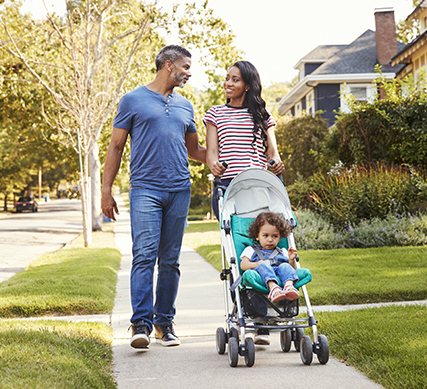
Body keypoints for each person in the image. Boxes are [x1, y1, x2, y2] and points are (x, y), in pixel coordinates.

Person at [101, 45, 206, 350]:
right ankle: (141, 324)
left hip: (179, 188)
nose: (188, 73)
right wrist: (106, 191)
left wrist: (229, 158)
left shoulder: (186, 106)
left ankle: (164, 323)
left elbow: (194, 151)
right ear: (168, 65)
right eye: (185, 67)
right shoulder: (132, 100)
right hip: (145, 188)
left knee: (170, 261)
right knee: (144, 255)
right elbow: (116, 146)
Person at [204, 60, 284, 219]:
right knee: (232, 238)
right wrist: (214, 165)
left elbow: (273, 153)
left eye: (235, 80)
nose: (228, 83)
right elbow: (212, 152)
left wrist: (277, 163)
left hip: (259, 184)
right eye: (227, 78)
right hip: (227, 186)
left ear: (247, 86)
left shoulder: (263, 115)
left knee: (263, 235)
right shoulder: (215, 113)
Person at [240, 212, 299, 345]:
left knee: (284, 265)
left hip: (280, 276)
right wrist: (257, 264)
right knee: (265, 265)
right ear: (257, 235)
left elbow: (292, 269)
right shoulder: (251, 249)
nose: (270, 240)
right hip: (261, 276)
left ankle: (289, 286)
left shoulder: (282, 251)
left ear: (280, 237)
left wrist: (291, 259)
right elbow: (243, 265)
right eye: (265, 236)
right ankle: (274, 289)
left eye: (275, 236)